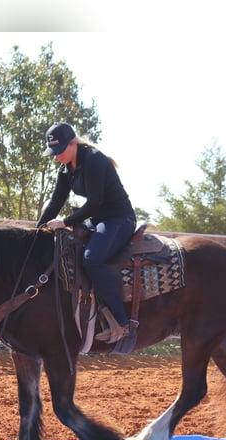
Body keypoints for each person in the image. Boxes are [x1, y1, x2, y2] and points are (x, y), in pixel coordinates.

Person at [37, 122, 137, 345]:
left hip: (119, 218)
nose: (57, 156)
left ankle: (121, 322)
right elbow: (55, 203)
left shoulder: (94, 160)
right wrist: (36, 231)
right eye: (53, 152)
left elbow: (94, 203)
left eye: (60, 150)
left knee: (92, 259)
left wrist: (64, 222)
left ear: (73, 143)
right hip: (98, 219)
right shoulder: (65, 168)